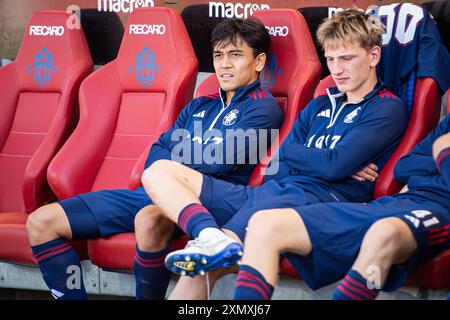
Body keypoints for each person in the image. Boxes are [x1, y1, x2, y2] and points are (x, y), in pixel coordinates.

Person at [137, 8, 408, 299]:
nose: (337, 70)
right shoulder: (319, 105)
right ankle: (211, 236)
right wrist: (329, 159)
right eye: (330, 59)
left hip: (320, 201)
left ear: (374, 56)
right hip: (273, 191)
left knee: (206, 263)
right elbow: (281, 162)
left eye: (347, 59)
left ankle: (221, 240)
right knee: (158, 172)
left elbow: (330, 167)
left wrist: (327, 161)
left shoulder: (386, 107)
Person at [25, 18, 284, 300]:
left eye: (235, 55)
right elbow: (157, 155)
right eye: (218, 55)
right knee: (42, 221)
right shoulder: (200, 105)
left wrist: (172, 165)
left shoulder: (263, 108)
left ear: (258, 62)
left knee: (149, 220)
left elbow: (218, 162)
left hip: (207, 199)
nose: (224, 64)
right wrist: (169, 168)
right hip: (155, 192)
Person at [232, 115, 450, 300]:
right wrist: (441, 155)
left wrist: (441, 150)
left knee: (383, 233)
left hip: (441, 209)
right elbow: (404, 167)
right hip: (402, 202)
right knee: (264, 224)